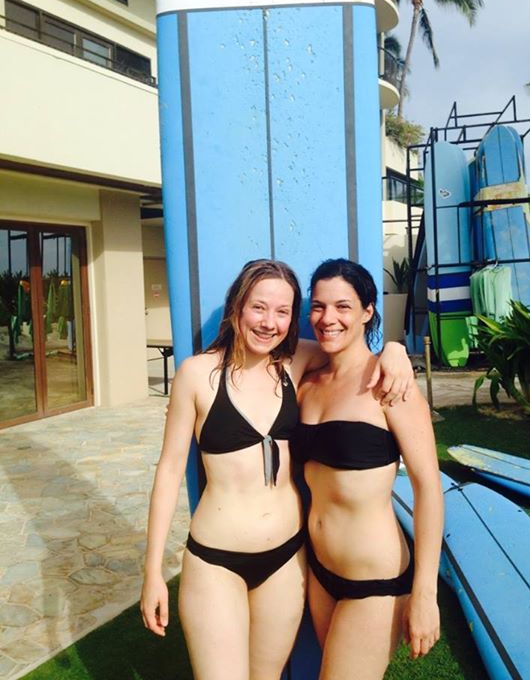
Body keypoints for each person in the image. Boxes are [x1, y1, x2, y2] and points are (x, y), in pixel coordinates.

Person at [140, 259, 414, 680]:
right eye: (258, 307)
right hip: (216, 562)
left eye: (283, 312)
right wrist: (152, 572)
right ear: (237, 306)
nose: (269, 323)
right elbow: (169, 472)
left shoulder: (294, 362)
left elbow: (353, 347)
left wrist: (395, 349)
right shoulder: (195, 375)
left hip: (286, 562)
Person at [294, 258, 443, 680]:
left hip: (374, 581)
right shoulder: (307, 383)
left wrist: (425, 594)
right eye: (319, 306)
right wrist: (395, 346)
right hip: (320, 573)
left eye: (343, 306)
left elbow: (429, 489)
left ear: (367, 311)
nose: (328, 318)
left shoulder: (390, 386)